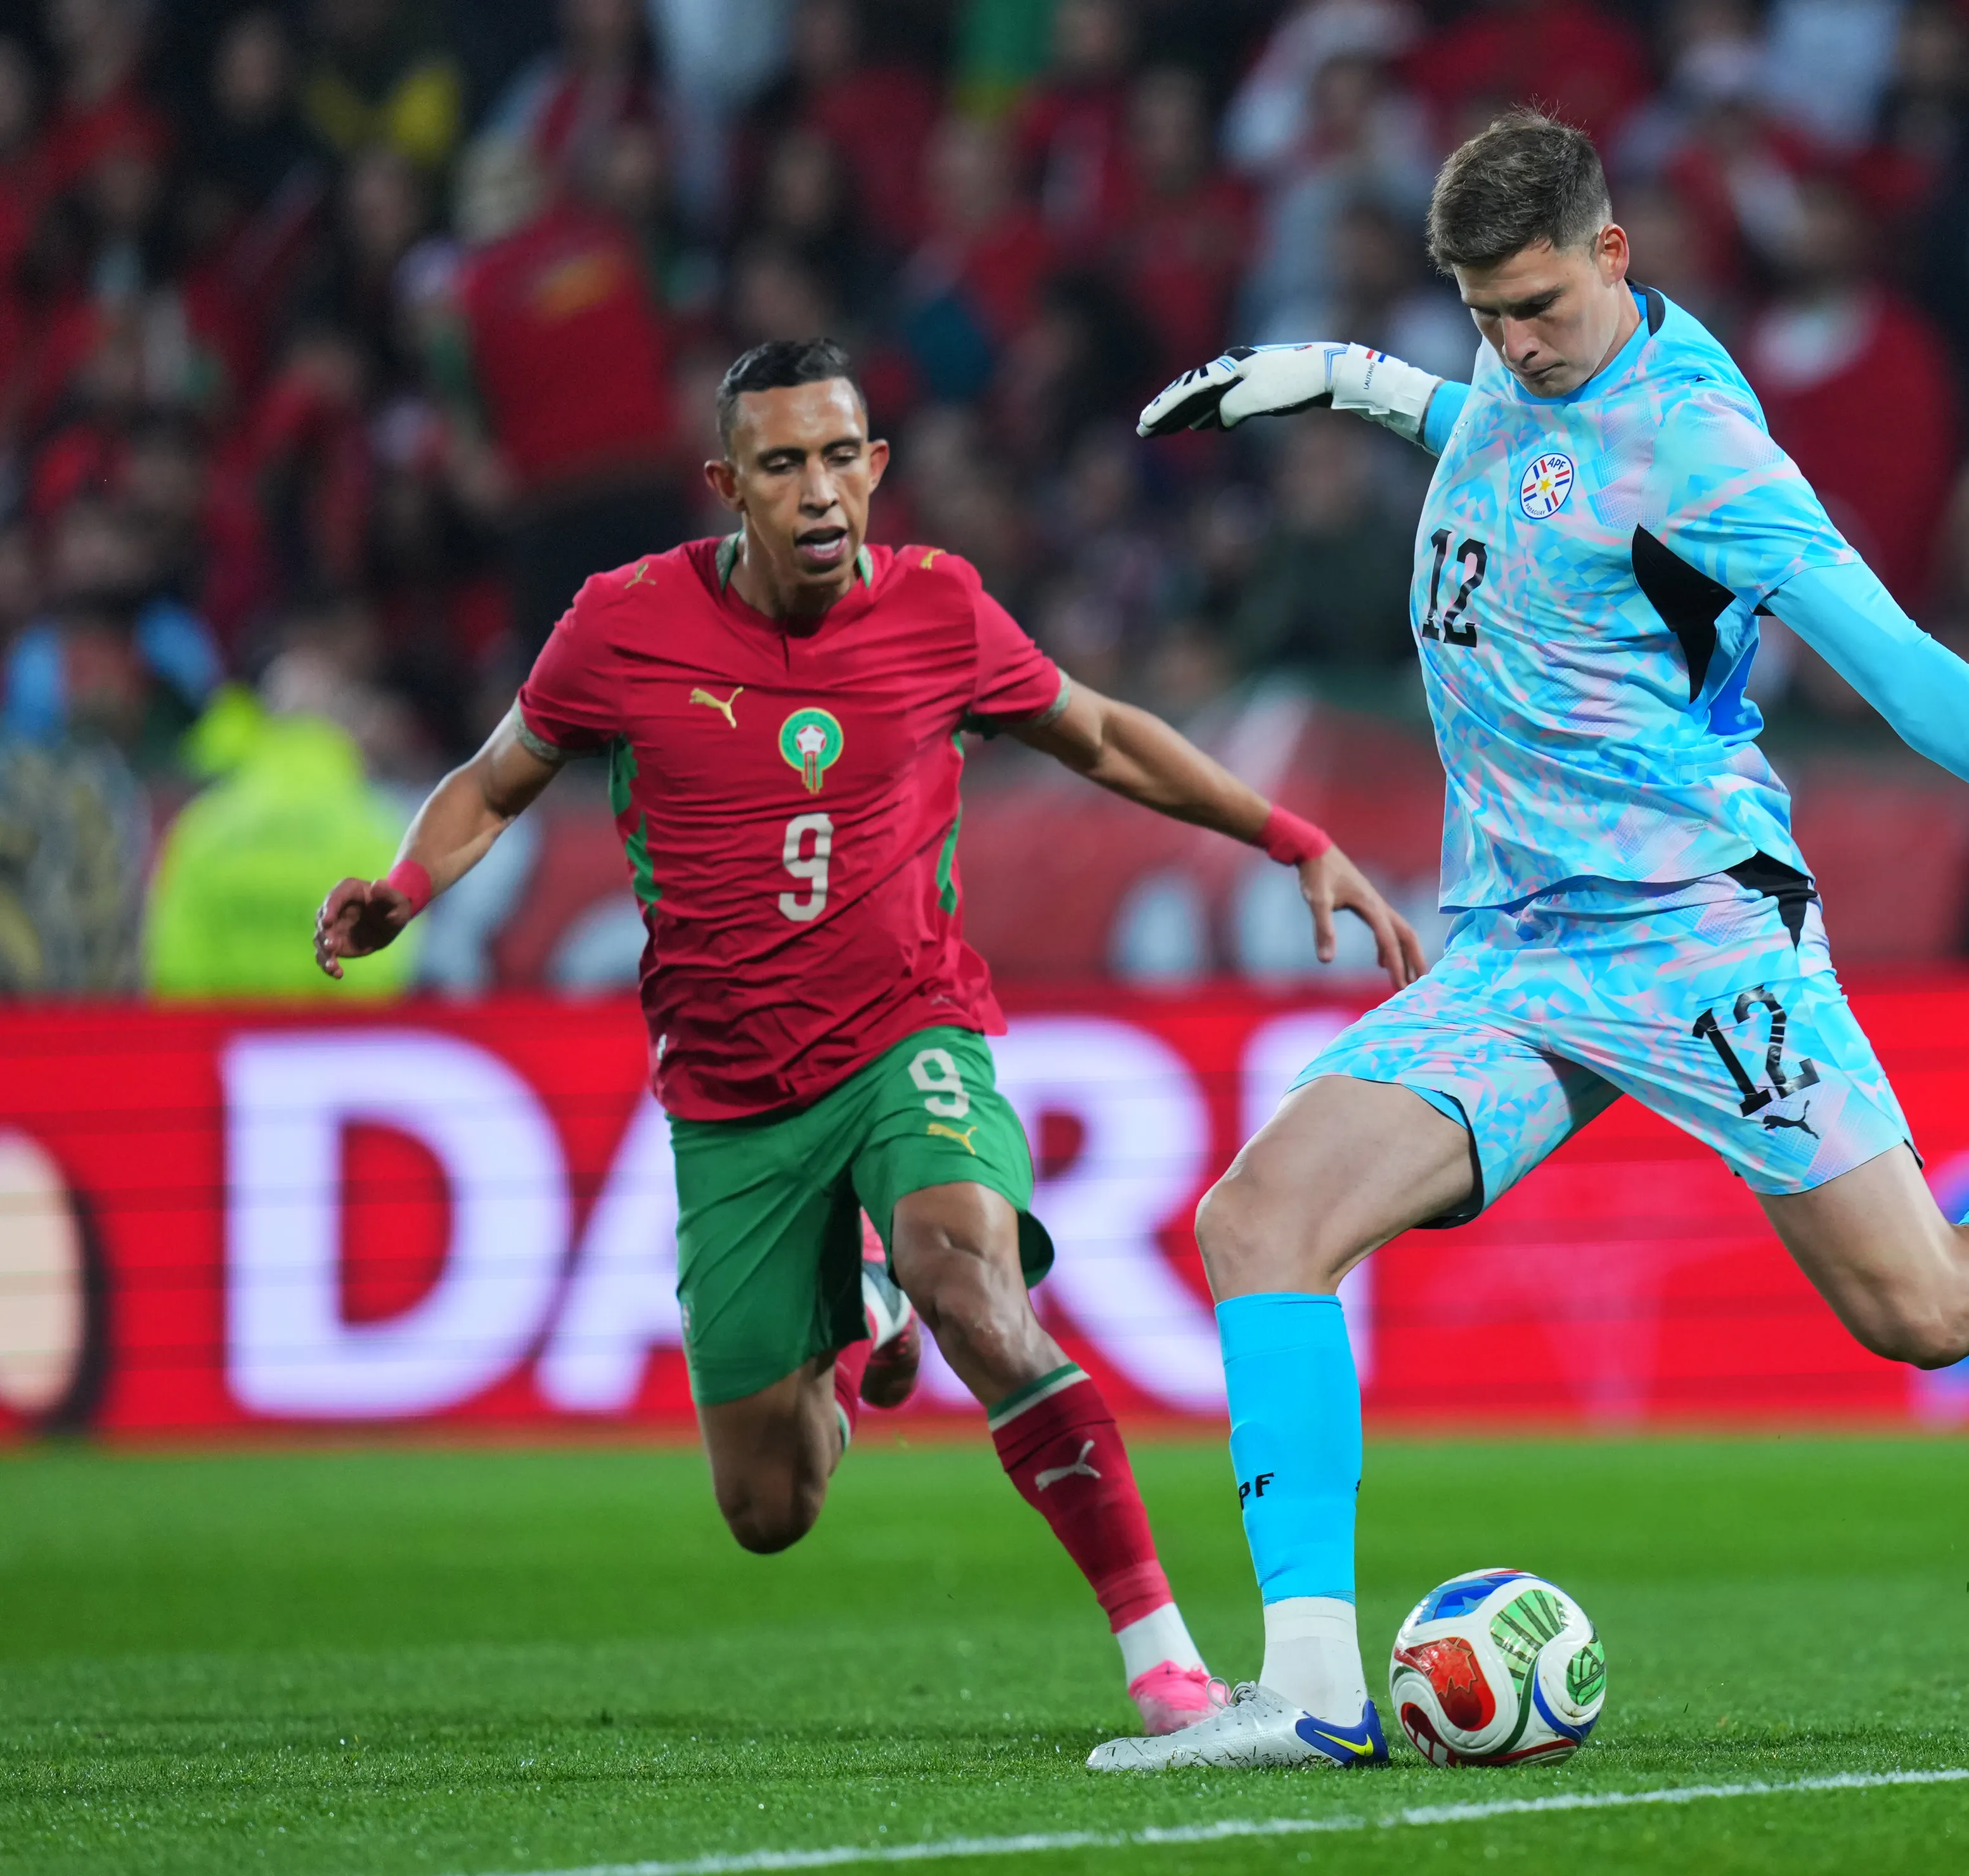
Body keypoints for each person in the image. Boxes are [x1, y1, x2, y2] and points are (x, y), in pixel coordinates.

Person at [1107, 111, 1969, 1770]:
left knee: (1933, 1304)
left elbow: (1905, 674)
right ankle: (1315, 1693)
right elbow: (1526, 459)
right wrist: (1357, 379)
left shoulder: (1705, 454)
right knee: (1261, 1220)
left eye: (1538, 305)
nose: (1514, 344)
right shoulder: (1524, 388)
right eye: (1481, 316)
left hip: (1699, 943)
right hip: (1517, 951)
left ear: (1618, 254)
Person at [311, 338, 1427, 1738]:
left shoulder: (941, 611)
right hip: (731, 1104)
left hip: (914, 1036)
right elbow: (492, 781)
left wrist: (1293, 836)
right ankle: (861, 1308)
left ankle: (1166, 1662)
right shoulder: (621, 625)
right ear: (730, 484)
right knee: (769, 1508)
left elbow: (1100, 735)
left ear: (877, 467)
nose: (822, 491)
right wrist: (403, 893)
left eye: (843, 458)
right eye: (784, 465)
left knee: (974, 1282)